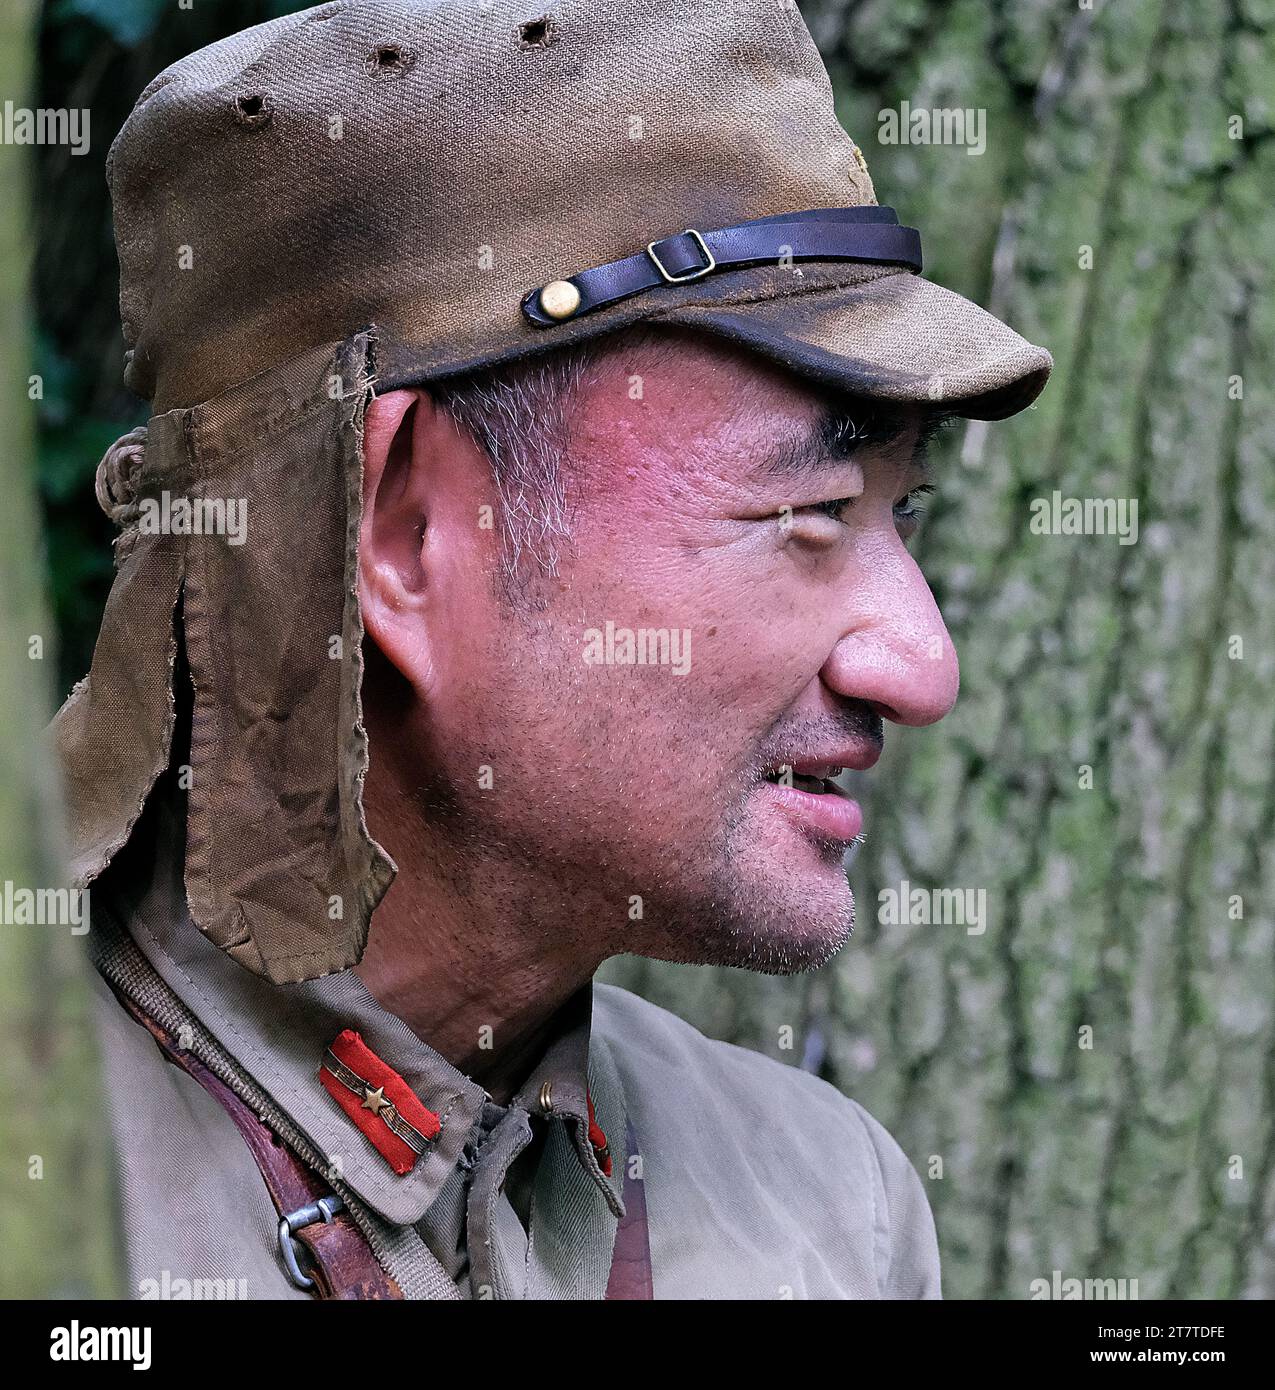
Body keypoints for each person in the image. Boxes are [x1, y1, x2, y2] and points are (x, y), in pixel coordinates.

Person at [56, 0, 1051, 1299]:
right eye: (811, 512)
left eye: (899, 512)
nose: (922, 667)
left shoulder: (825, 1207)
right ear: (407, 528)